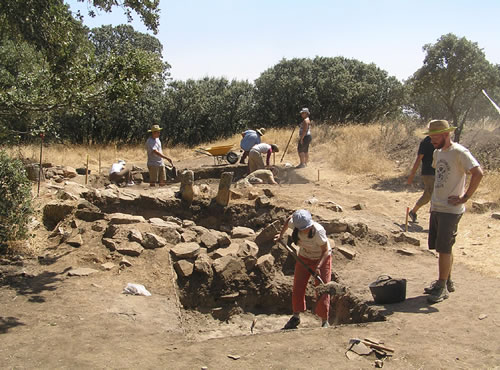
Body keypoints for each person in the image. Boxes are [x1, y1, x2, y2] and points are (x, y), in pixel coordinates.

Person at [423, 120, 483, 304]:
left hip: (451, 209)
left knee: (444, 247)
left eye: (435, 136)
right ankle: (447, 280)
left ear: (446, 134)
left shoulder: (459, 152)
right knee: (443, 247)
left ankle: (441, 287)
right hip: (437, 206)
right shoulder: (437, 152)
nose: (432, 139)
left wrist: (465, 197)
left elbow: (478, 172)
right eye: (431, 136)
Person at [274, 209, 332, 329]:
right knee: (298, 286)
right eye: (304, 228)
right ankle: (296, 317)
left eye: (308, 226)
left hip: (322, 258)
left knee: (323, 289)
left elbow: (325, 250)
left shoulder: (318, 231)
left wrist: (319, 267)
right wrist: (280, 235)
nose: (307, 229)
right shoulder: (294, 224)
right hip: (304, 256)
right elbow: (287, 221)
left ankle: (324, 320)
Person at [407, 136, 435, 222]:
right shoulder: (425, 142)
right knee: (429, 194)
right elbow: (419, 158)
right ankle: (414, 212)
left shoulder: (442, 140)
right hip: (428, 173)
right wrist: (412, 175)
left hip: (440, 172)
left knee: (434, 195)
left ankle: (414, 212)